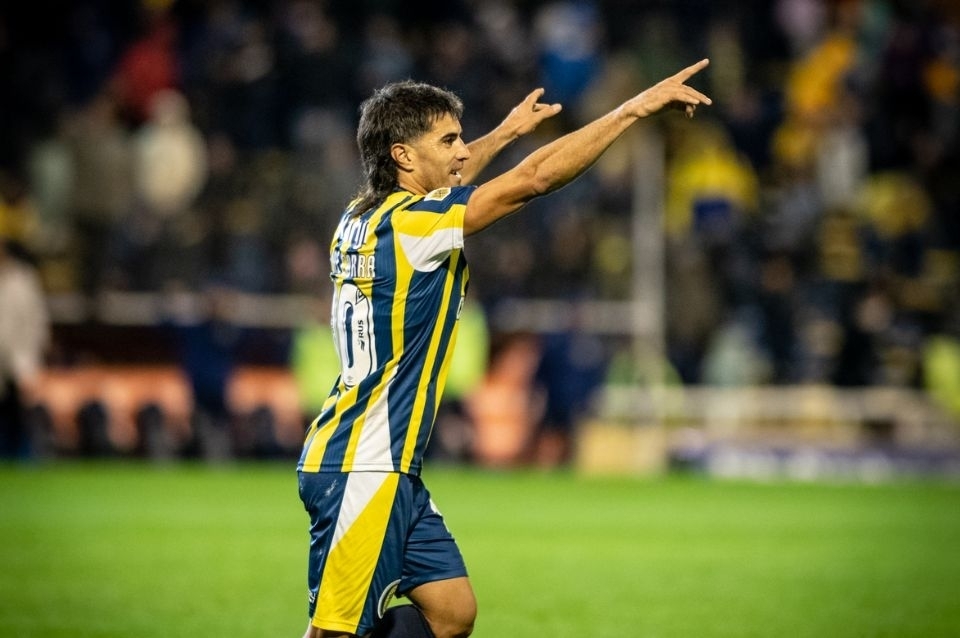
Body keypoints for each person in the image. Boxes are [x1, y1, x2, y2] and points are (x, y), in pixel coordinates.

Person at [297, 59, 712, 638]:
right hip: (363, 464)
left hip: (385, 464)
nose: (463, 151)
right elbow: (532, 180)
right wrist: (629, 111)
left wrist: (509, 132)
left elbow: (454, 181)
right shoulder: (416, 227)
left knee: (451, 613)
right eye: (449, 141)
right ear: (403, 156)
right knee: (334, 632)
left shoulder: (359, 217)